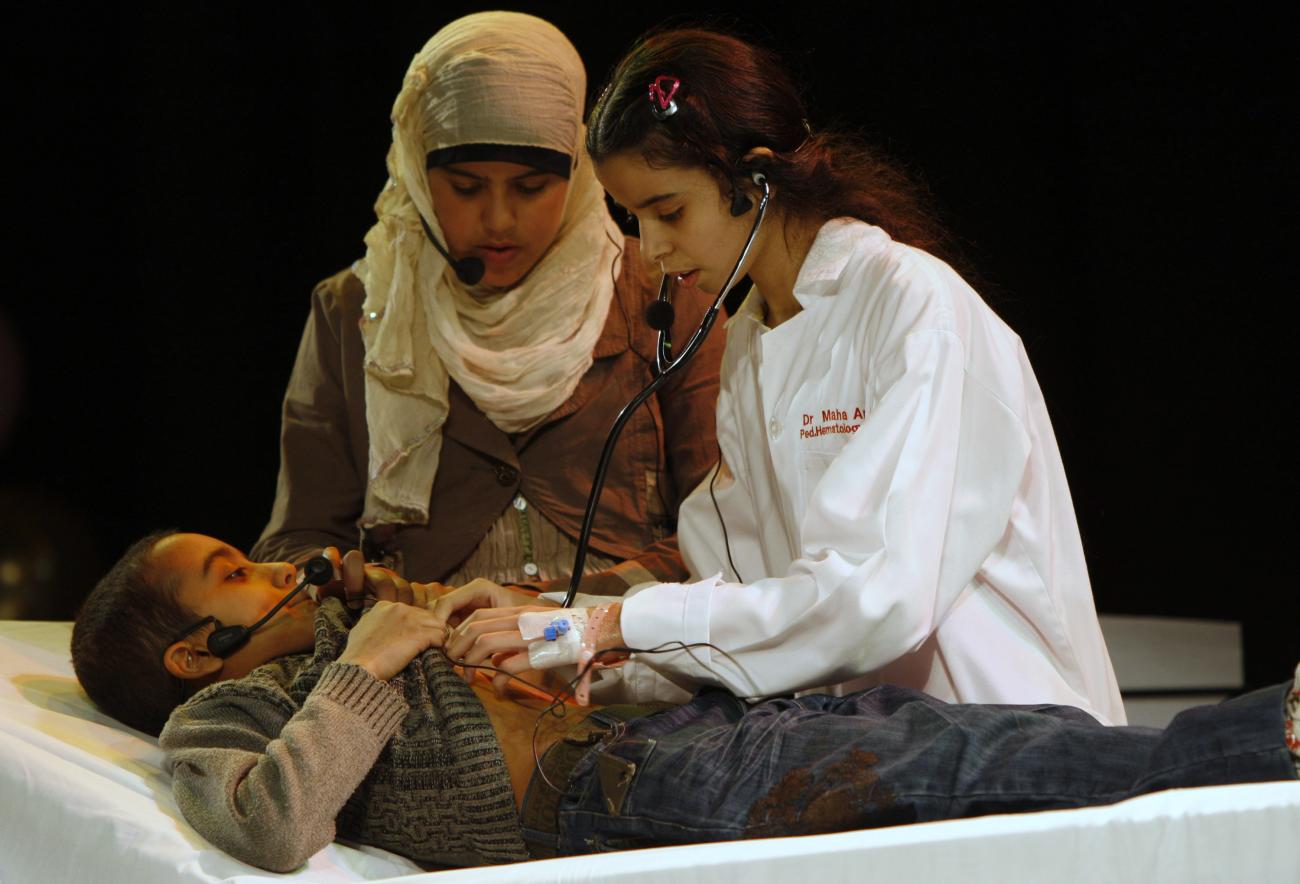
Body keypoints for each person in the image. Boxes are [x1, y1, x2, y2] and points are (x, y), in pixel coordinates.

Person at [437, 29, 1126, 723]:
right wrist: (553, 633)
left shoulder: (914, 307)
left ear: (755, 180)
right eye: (634, 218)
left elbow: (871, 600)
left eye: (669, 211)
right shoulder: (752, 341)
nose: (653, 251)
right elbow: (744, 614)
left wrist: (596, 630)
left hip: (1013, 749)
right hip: (879, 756)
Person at [71, 530, 1298, 872]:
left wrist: (516, 615)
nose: (275, 567)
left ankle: (1258, 741)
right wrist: (369, 665)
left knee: (989, 738)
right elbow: (272, 823)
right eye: (234, 574)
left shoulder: (360, 615)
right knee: (955, 771)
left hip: (667, 735)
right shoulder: (219, 719)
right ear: (190, 653)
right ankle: (1274, 731)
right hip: (616, 796)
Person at [251, 12, 722, 603]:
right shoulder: (354, 310)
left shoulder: (665, 287)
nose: (499, 220)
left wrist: (559, 610)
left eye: (531, 188)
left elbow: (727, 530)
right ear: (417, 173)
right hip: (423, 659)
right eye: (467, 187)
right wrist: (341, 580)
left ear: (578, 170)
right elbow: (296, 538)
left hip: (627, 652)